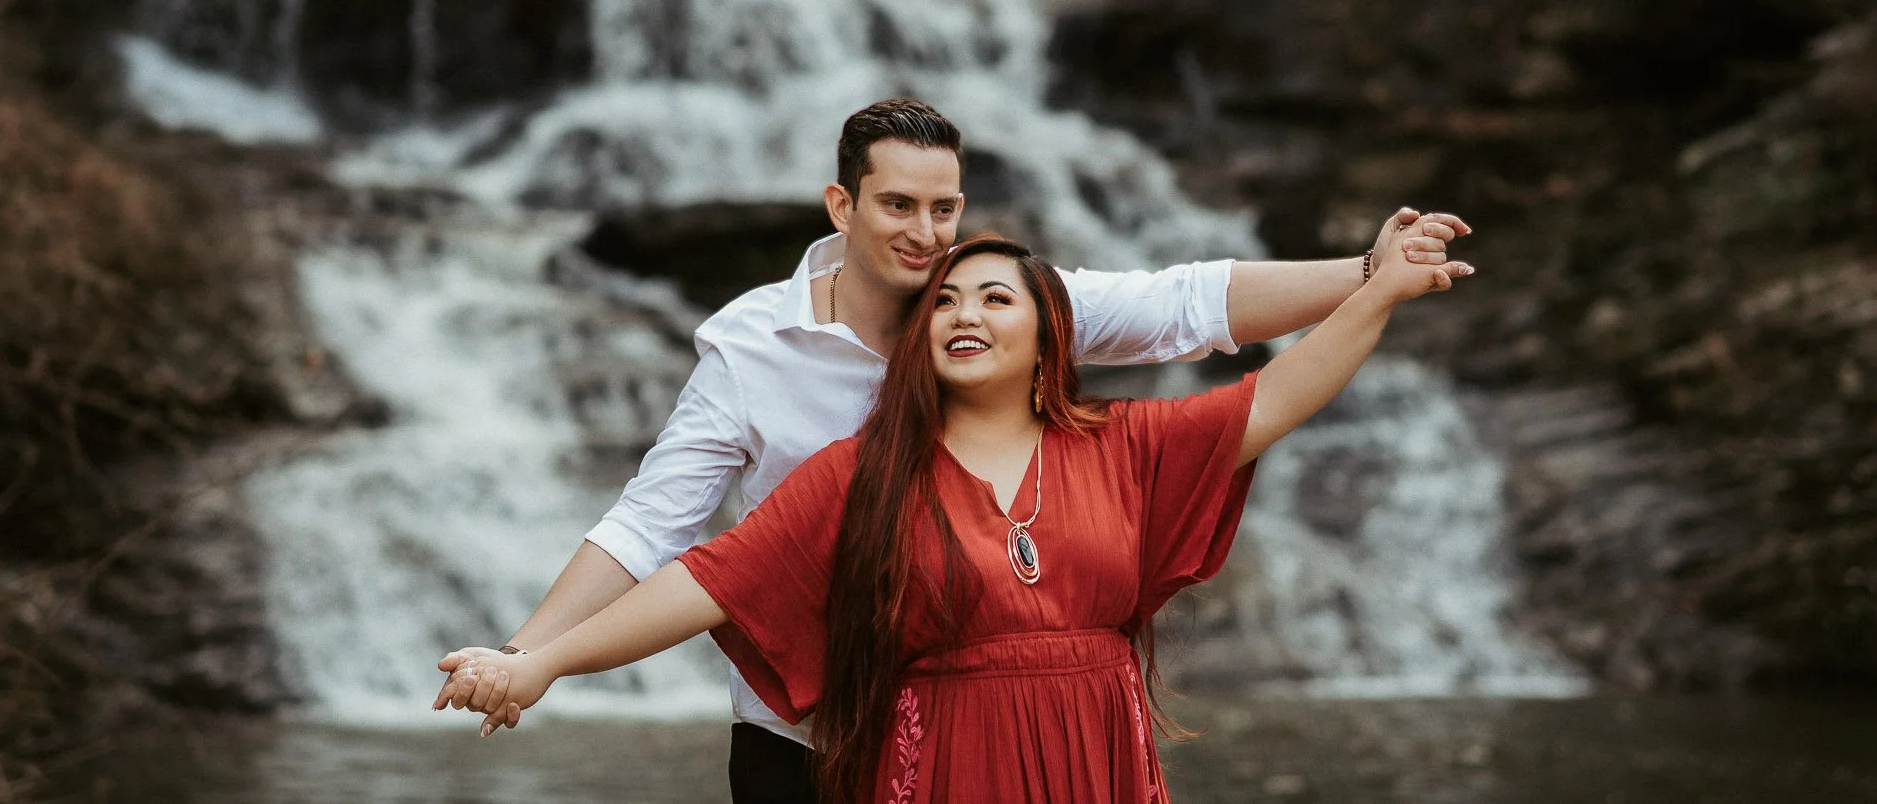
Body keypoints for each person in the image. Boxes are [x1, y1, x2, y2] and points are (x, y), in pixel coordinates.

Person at [436, 98, 1467, 801]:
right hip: (808, 720)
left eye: (943, 207)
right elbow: (663, 534)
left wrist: (1369, 271)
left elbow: (1184, 306)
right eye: (897, 205)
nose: (926, 234)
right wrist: (530, 656)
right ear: (842, 207)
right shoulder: (759, 354)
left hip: (1024, 720)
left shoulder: (1001, 297)